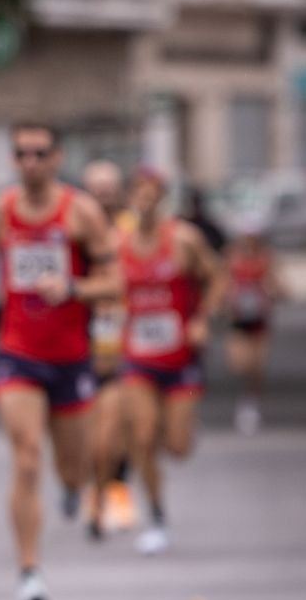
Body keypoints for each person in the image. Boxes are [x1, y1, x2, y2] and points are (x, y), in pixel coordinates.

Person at [0, 124, 118, 600]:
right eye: (21, 153)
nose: (30, 162)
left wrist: (73, 287)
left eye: (39, 153)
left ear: (57, 157)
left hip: (70, 358)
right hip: (17, 353)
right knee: (26, 457)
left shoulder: (82, 212)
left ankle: (73, 489)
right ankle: (29, 572)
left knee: (73, 467)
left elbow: (116, 282)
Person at [113, 168, 226, 553]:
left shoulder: (183, 240)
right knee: (142, 437)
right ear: (130, 197)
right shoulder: (117, 244)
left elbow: (218, 278)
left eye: (152, 192)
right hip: (138, 356)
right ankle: (157, 516)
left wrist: (201, 318)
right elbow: (106, 288)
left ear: (162, 197)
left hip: (180, 358)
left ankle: (176, 425)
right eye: (138, 192)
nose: (145, 199)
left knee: (177, 448)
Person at [81, 158, 138, 539]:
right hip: (82, 336)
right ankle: (94, 491)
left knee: (121, 427)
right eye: (95, 188)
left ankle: (115, 490)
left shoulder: (133, 232)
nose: (102, 195)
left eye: (109, 188)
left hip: (126, 337)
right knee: (89, 428)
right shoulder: (74, 230)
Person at [223, 227, 283, 434]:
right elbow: (223, 283)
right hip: (239, 319)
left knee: (257, 367)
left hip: (259, 318)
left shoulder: (266, 259)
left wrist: (272, 290)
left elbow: (280, 287)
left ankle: (251, 404)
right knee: (239, 364)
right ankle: (244, 398)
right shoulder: (232, 257)